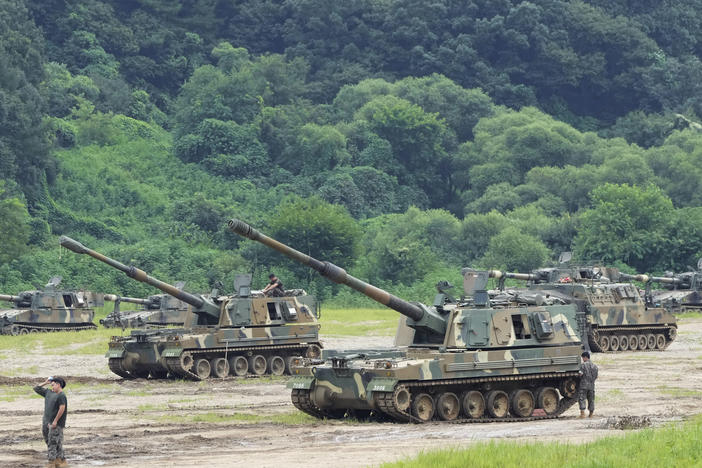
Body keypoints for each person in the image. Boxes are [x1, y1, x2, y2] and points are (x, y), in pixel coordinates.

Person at [33, 376, 68, 467]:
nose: (52, 387)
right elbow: (36, 388)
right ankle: (60, 460)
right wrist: (46, 382)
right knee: (50, 441)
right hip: (46, 421)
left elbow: (62, 408)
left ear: (58, 385)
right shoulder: (48, 392)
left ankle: (51, 463)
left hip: (55, 424)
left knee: (53, 443)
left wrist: (55, 421)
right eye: (51, 385)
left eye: (53, 385)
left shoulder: (61, 395)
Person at [578, 351, 598, 418]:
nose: (582, 359)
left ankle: (582, 414)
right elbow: (596, 376)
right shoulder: (595, 366)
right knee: (591, 399)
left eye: (583, 358)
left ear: (585, 357)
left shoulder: (583, 365)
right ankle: (591, 414)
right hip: (591, 385)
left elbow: (580, 374)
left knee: (582, 398)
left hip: (583, 385)